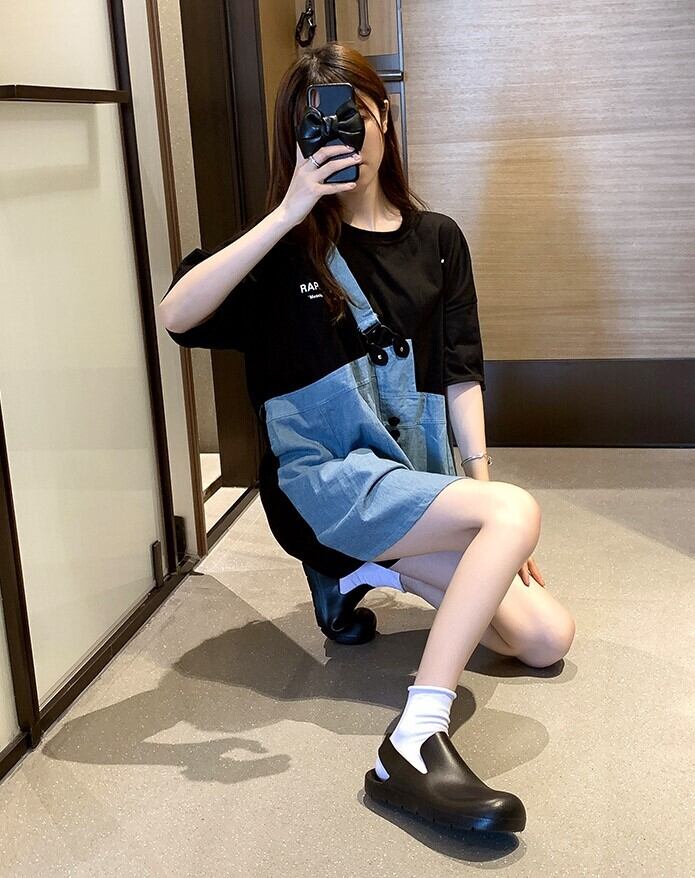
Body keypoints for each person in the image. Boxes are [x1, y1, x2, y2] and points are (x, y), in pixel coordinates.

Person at [159, 43, 576, 833]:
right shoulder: (283, 249)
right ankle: (415, 736)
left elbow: (459, 371)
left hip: (406, 480)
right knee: (514, 512)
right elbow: (177, 315)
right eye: (313, 124)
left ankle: (354, 572)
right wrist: (287, 212)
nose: (336, 134)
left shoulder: (438, 238)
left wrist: (478, 500)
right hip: (322, 485)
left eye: (349, 114)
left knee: (544, 637)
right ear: (294, 140)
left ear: (382, 114)